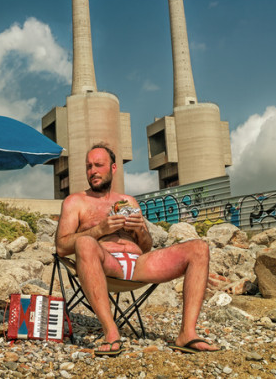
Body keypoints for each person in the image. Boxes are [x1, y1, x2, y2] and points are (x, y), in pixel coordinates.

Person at [55, 142, 220, 355]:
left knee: (199, 247)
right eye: (89, 166)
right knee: (84, 243)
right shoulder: (75, 202)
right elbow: (61, 246)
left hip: (138, 264)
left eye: (98, 165)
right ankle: (111, 331)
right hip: (107, 264)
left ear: (113, 168)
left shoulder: (128, 201)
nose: (93, 171)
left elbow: (146, 246)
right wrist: (99, 230)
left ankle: (187, 334)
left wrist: (140, 231)